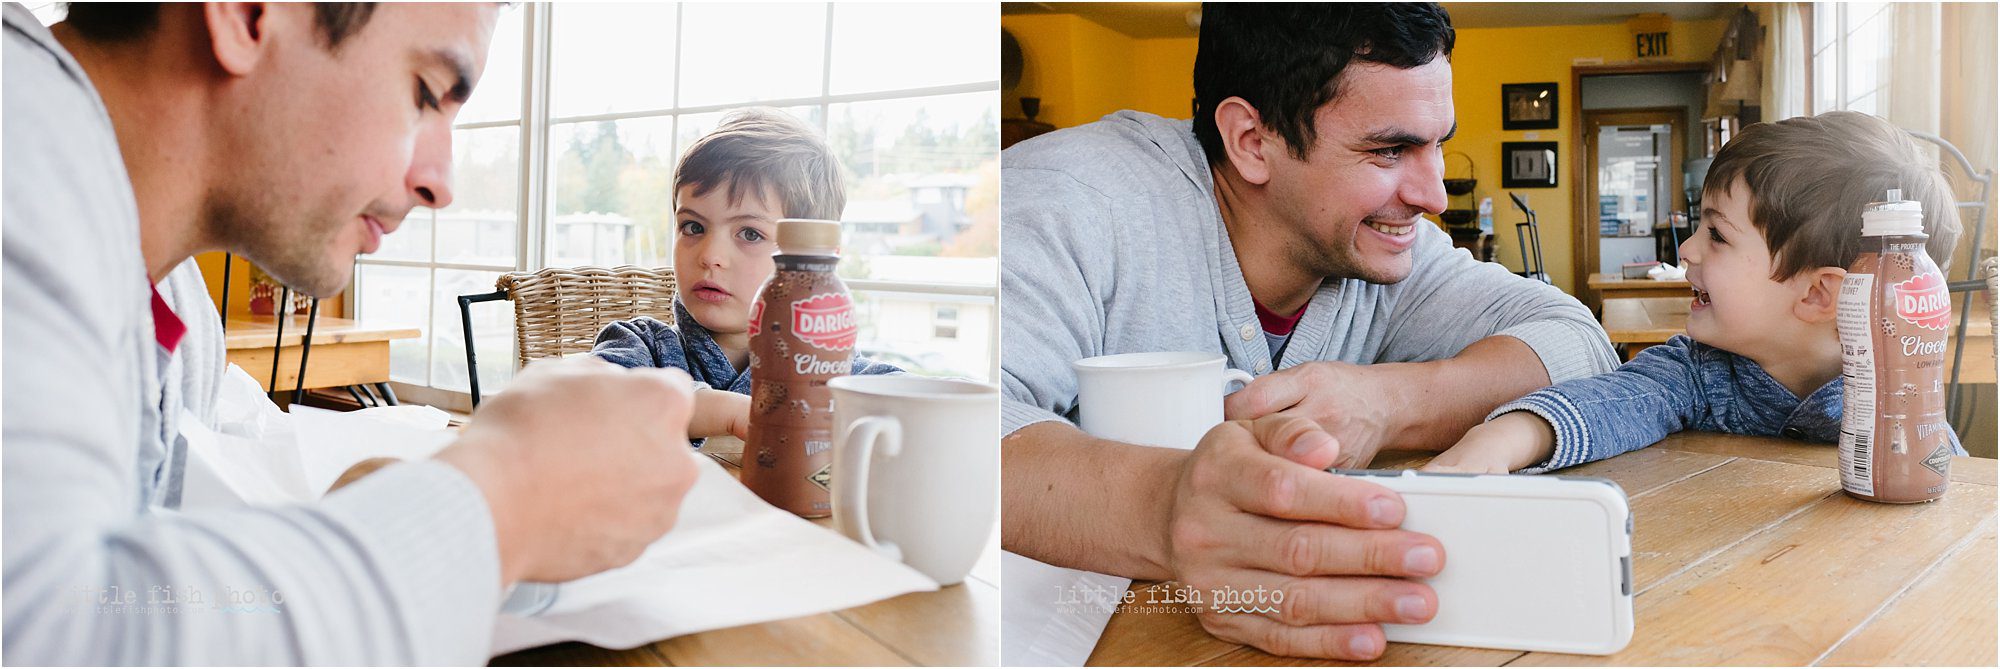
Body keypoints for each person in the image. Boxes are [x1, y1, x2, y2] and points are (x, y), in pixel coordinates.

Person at [3, 3, 700, 663]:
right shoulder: (20, 153)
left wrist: (383, 515)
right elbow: (51, 631)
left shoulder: (170, 301)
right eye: (426, 91)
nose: (442, 181)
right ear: (249, 13)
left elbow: (132, 586)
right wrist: (500, 501)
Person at [999, 3, 1618, 660]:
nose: (1434, 194)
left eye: (1436, 143)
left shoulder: (1384, 251)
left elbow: (1579, 340)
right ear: (1251, 141)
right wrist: (1165, 509)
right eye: (1389, 149)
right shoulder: (1066, 202)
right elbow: (940, 430)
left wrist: (1387, 403)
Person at [1425, 111, 1966, 474]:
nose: (1687, 250)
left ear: (1821, 295)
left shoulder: (1903, 406)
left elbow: (1957, 501)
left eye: (1717, 234)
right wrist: (1498, 442)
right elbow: (1613, 401)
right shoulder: (1698, 371)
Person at [591, 108, 899, 442]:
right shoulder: (641, 347)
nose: (710, 256)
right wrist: (733, 414)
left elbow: (938, 418)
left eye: (750, 234)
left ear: (808, 256)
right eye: (693, 227)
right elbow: (593, 402)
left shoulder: (849, 381)